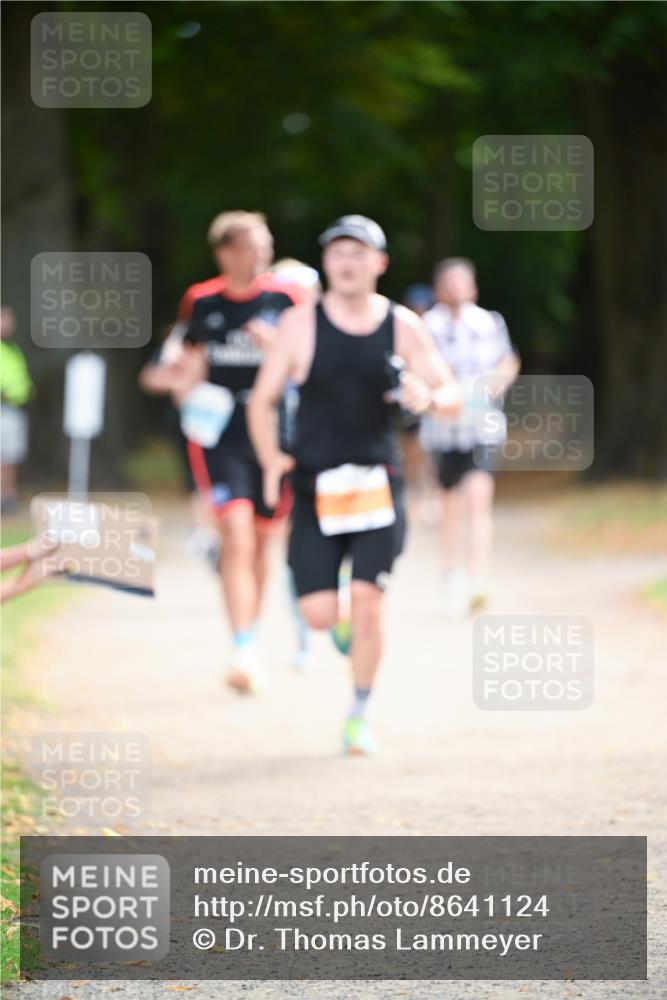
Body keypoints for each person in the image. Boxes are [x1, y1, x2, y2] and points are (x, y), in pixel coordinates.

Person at [247, 215, 463, 754]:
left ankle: (359, 713)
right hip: (315, 484)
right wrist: (272, 458)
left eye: (359, 253)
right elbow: (261, 400)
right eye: (338, 253)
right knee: (320, 614)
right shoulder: (299, 326)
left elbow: (452, 391)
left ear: (380, 263)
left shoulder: (403, 325)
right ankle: (339, 626)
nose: (348, 262)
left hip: (377, 484)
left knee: (369, 603)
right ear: (326, 263)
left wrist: (428, 398)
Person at [147, 212, 301, 693]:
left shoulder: (288, 299)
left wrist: (277, 347)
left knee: (262, 542)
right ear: (227, 252)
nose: (264, 252)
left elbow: (309, 363)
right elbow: (191, 360)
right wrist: (178, 379)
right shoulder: (203, 299)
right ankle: (242, 648)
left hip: (277, 434)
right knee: (234, 535)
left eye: (267, 243)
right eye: (254, 244)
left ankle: (251, 636)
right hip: (220, 436)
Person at [419, 257, 520, 615]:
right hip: (444, 431)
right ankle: (452, 576)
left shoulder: (490, 322)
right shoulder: (427, 326)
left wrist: (490, 389)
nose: (456, 289)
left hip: (483, 426)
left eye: (461, 282)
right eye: (449, 282)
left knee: (478, 500)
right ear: (438, 288)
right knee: (451, 508)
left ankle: (478, 579)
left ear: (472, 287)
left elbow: (508, 362)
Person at [1, 306, 34, 514]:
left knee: (11, 456)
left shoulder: (11, 346)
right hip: (3, 407)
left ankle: (9, 497)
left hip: (15, 407)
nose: (7, 324)